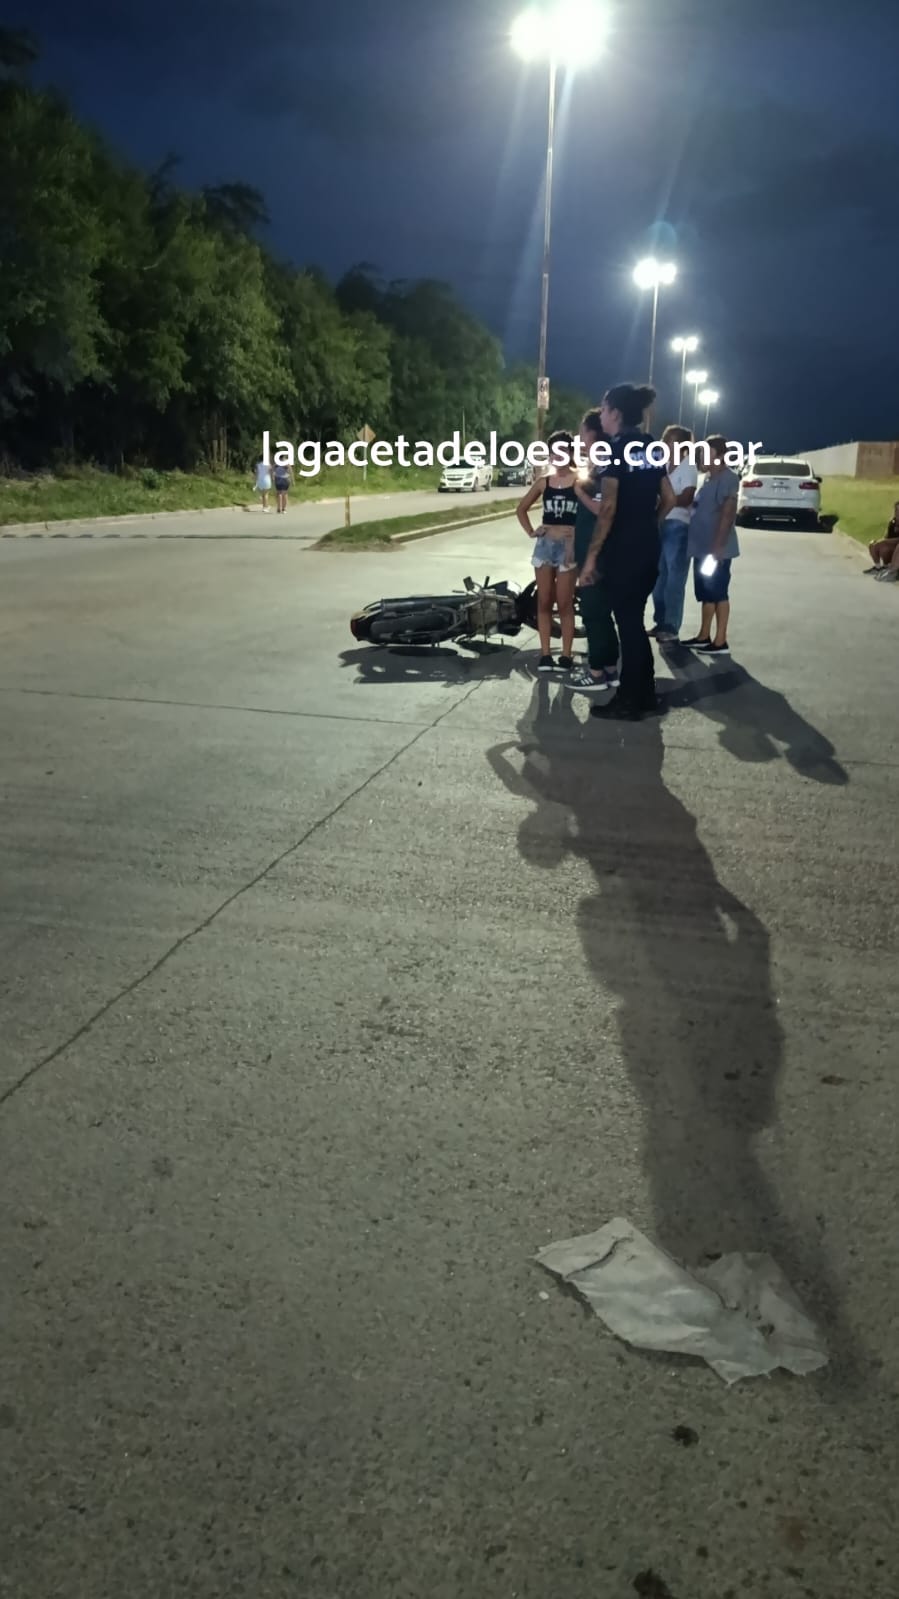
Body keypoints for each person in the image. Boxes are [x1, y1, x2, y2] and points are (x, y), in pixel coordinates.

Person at [578, 383, 676, 720]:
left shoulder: (615, 450)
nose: (601, 415)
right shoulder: (650, 445)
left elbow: (607, 508)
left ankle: (630, 700)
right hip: (648, 547)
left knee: (629, 625)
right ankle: (644, 694)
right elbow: (669, 498)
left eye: (604, 409)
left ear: (615, 413)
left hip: (623, 552)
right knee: (634, 622)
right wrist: (649, 524)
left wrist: (591, 557)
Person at [564, 408, 620, 694]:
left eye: (582, 431)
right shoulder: (598, 465)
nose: (580, 437)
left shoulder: (604, 466)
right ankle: (610, 668)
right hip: (591, 551)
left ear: (591, 433)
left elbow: (601, 509)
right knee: (601, 613)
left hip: (596, 555)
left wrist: (579, 492)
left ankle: (596, 672)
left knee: (593, 612)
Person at [516, 430, 579, 673]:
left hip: (567, 548)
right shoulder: (544, 482)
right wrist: (532, 531)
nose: (558, 456)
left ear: (570, 453)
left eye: (563, 451)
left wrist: (576, 535)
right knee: (543, 601)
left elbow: (589, 514)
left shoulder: (580, 482)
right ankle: (545, 655)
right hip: (544, 547)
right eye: (554, 452)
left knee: (564, 602)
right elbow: (521, 509)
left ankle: (566, 655)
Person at [682, 434, 740, 655]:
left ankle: (720, 640)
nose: (702, 457)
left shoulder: (728, 479)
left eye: (706, 453)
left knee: (718, 591)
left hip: (716, 550)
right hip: (702, 547)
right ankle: (703, 635)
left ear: (721, 455)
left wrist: (718, 547)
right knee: (706, 592)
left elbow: (727, 514)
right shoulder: (707, 479)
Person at [648, 424, 698, 643]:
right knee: (659, 579)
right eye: (664, 439)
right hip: (661, 524)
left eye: (669, 440)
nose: (664, 443)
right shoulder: (664, 465)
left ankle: (671, 625)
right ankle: (660, 621)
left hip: (678, 526)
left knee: (674, 580)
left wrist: (666, 500)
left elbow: (687, 497)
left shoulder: (688, 468)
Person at [864, 502, 899, 573]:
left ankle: (889, 567)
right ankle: (878, 567)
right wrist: (879, 542)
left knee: (884, 549)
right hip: (890, 544)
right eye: (896, 510)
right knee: (873, 544)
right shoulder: (892, 522)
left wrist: (885, 542)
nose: (897, 513)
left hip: (896, 547)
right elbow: (886, 536)